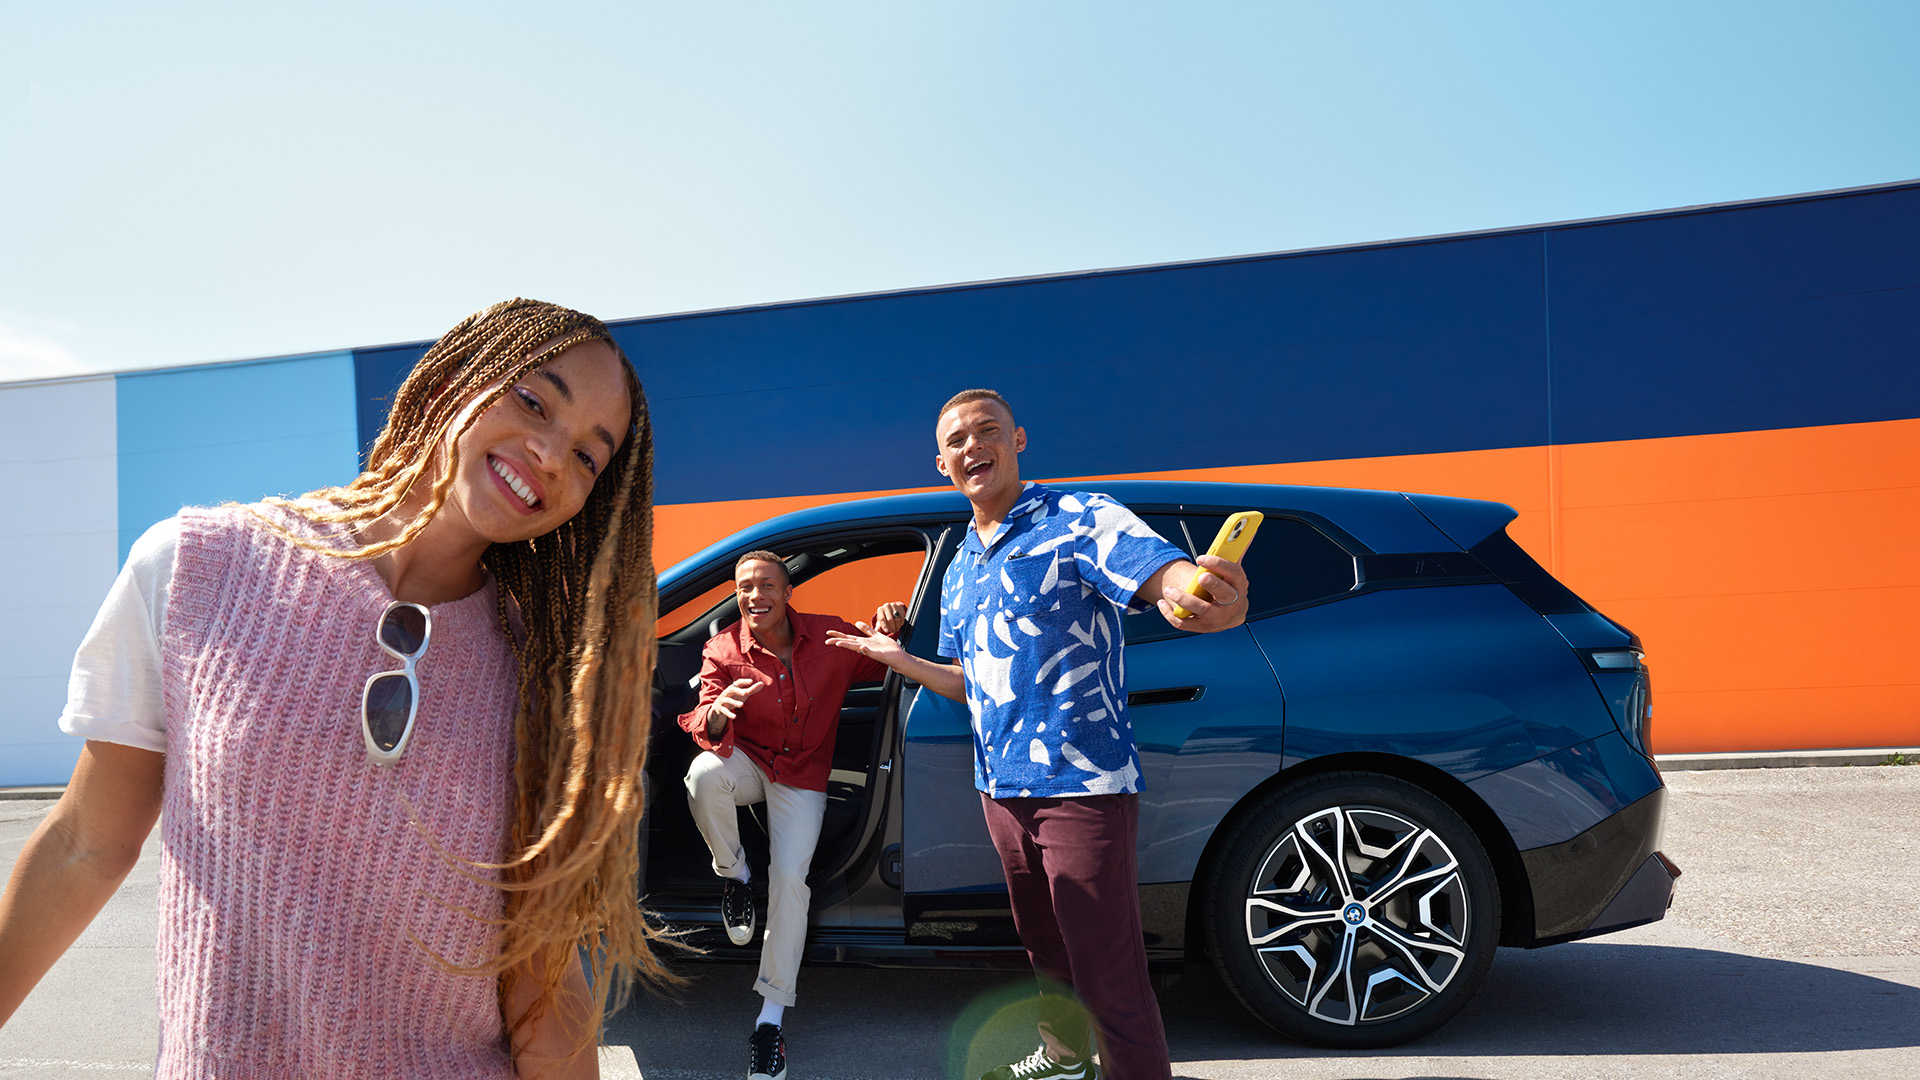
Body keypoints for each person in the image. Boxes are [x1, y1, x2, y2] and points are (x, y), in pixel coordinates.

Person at [0, 299, 674, 1079]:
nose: (554, 455)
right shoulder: (197, 568)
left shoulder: (542, 678)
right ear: (458, 376)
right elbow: (87, 844)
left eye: (590, 456)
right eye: (533, 400)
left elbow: (541, 990)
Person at [828, 389, 1250, 1080]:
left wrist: (1202, 596)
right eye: (958, 441)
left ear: (1017, 439)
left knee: (1107, 968)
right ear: (942, 463)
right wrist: (898, 661)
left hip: (1080, 786)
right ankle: (1062, 1058)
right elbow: (971, 679)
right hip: (1001, 788)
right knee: (1045, 948)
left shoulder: (1079, 517)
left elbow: (1164, 577)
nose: (973, 447)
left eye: (986, 431)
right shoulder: (963, 561)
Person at [678, 550, 907, 1080]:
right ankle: (734, 876)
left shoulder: (828, 637)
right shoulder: (722, 648)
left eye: (765, 586)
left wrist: (891, 624)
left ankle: (769, 1022)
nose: (754, 596)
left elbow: (881, 654)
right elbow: (702, 721)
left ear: (786, 593)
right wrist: (714, 716)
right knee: (702, 775)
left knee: (790, 882)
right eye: (743, 587)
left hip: (804, 774)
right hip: (751, 762)